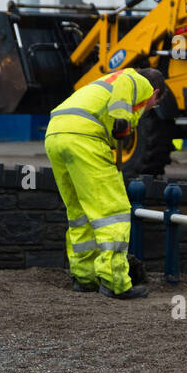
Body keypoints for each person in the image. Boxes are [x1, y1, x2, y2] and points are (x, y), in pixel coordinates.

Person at [44, 67, 165, 298]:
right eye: (154, 105)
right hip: (84, 137)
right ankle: (114, 281)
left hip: (55, 134)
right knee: (113, 211)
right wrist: (122, 118)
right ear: (154, 93)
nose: (149, 109)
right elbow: (127, 84)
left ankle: (84, 277)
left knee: (80, 213)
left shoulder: (103, 83)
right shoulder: (137, 80)